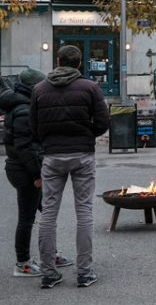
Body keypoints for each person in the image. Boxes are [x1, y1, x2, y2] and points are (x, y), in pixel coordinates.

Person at [33, 45, 110, 289]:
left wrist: (48, 139)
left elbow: (33, 125)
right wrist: (87, 134)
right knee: (84, 211)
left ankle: (48, 272)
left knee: (48, 213)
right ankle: (84, 272)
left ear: (58, 61)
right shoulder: (90, 87)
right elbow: (103, 121)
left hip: (52, 154)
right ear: (79, 64)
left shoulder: (40, 88)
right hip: (82, 153)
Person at [2, 69, 73, 277]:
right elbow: (24, 147)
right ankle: (22, 262)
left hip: (24, 167)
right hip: (25, 170)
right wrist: (36, 175)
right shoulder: (23, 109)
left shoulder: (22, 105)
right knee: (27, 217)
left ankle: (50, 252)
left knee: (47, 211)